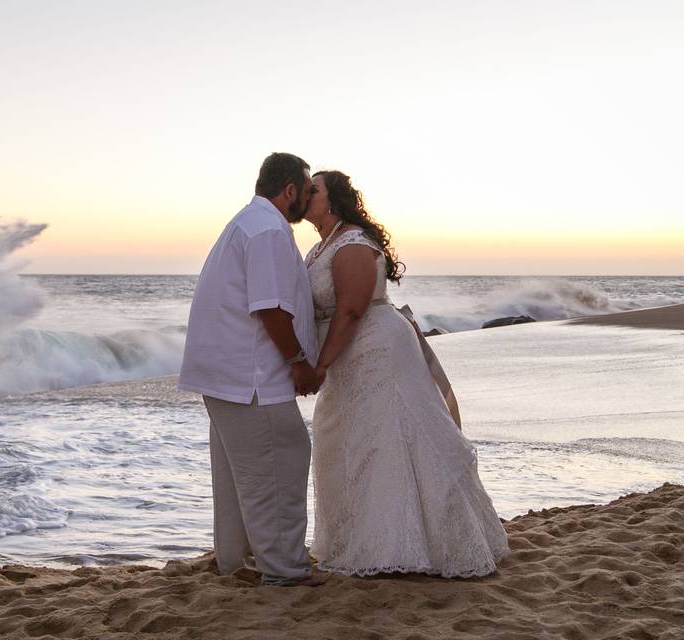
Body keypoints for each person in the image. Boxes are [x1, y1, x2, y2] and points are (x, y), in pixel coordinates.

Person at [304, 169, 509, 578]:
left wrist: (321, 363)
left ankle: (409, 546)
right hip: (348, 352)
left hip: (376, 349)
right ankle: (360, 541)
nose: (307, 194)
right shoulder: (318, 248)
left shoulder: (352, 243)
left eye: (314, 189)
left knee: (389, 438)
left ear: (334, 200)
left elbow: (350, 308)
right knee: (347, 438)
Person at [179, 152, 324, 587]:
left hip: (225, 373)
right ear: (291, 190)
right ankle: (283, 570)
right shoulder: (266, 231)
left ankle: (234, 560)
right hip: (252, 377)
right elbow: (270, 308)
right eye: (307, 189)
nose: (310, 197)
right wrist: (299, 362)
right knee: (279, 463)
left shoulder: (247, 222)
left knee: (237, 473)